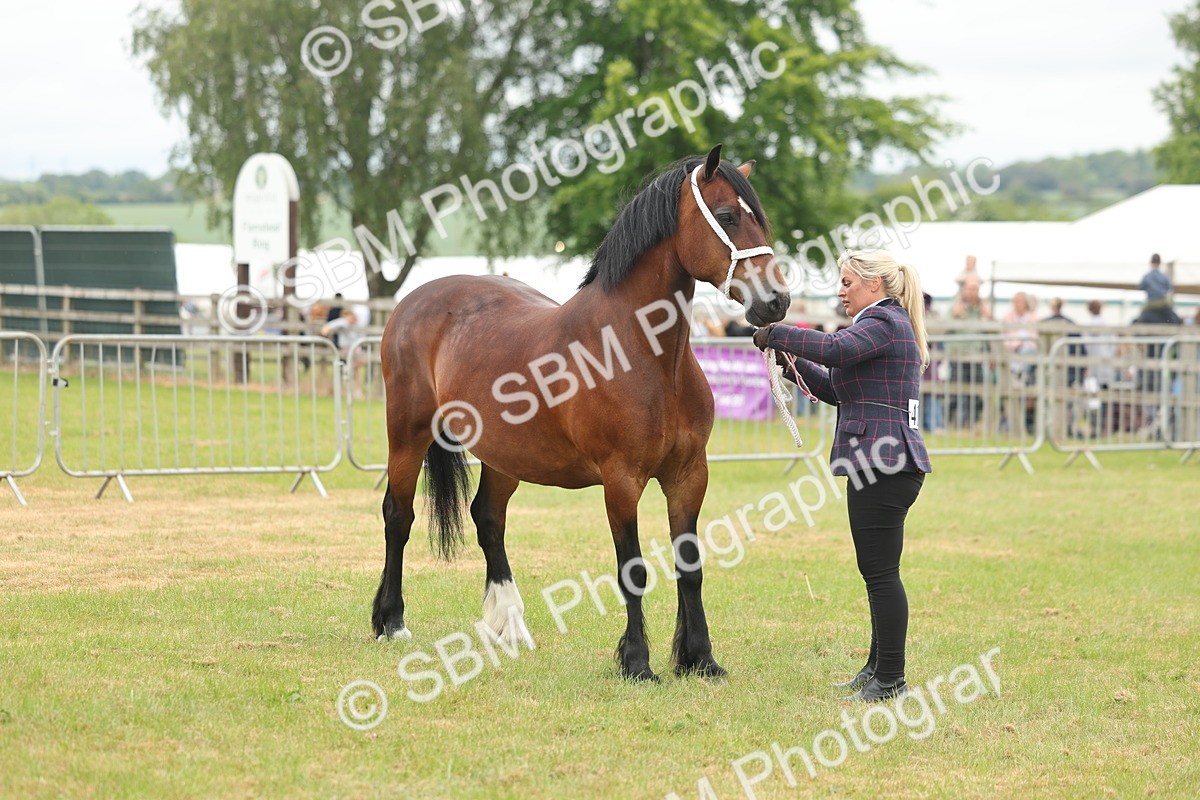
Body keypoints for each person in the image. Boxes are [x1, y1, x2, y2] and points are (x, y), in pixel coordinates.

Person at [752, 249, 931, 703]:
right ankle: (877, 669)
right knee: (877, 571)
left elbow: (836, 349)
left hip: (884, 463)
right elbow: (836, 387)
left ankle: (891, 677)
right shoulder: (884, 325)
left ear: (875, 285)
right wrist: (789, 360)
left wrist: (781, 334)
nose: (841, 291)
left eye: (848, 282)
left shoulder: (883, 322)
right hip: (884, 462)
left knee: (881, 574)